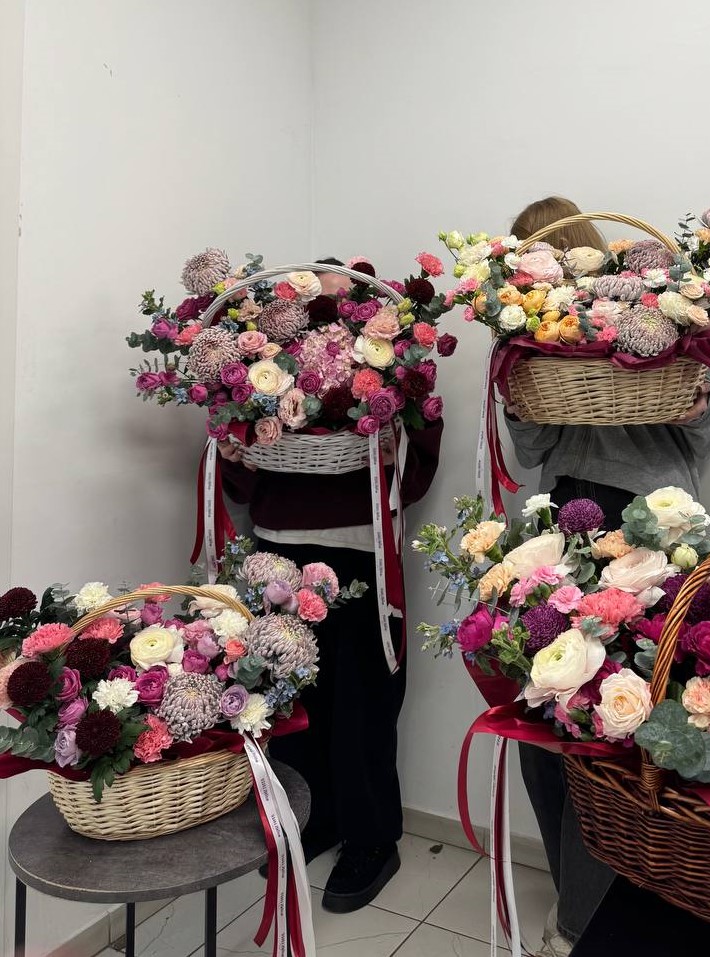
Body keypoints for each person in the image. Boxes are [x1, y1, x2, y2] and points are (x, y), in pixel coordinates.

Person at [504, 197, 710, 956]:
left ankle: (587, 915)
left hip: (650, 524)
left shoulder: (657, 308)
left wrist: (688, 390)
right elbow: (531, 446)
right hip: (567, 521)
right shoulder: (542, 326)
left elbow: (709, 419)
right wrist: (520, 385)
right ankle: (577, 903)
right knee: (549, 711)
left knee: (611, 723)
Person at [219, 259, 443, 913]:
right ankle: (312, 817)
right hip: (277, 549)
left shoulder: (395, 367)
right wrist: (236, 450)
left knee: (364, 700)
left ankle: (372, 838)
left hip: (361, 549)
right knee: (289, 697)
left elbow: (415, 466)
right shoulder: (264, 363)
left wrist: (389, 443)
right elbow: (241, 478)